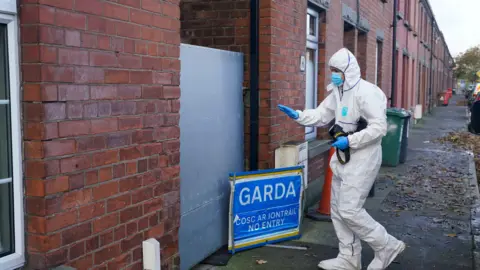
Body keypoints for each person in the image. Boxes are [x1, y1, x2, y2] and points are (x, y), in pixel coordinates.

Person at [278, 48, 405, 270]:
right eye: (332, 70)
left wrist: (351, 141)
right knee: (337, 209)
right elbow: (321, 115)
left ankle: (386, 245)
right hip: (343, 156)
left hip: (363, 156)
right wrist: (299, 116)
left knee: (349, 209)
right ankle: (349, 257)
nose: (334, 74)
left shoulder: (368, 93)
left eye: (338, 70)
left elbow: (379, 127)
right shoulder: (338, 91)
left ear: (349, 70)